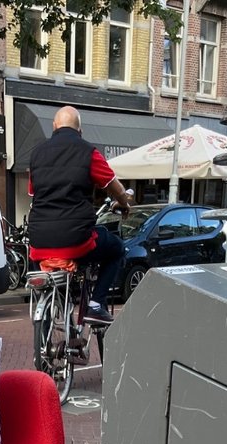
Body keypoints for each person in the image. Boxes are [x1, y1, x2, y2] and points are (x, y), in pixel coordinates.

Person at [26, 105, 133, 325]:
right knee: (117, 249)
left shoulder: (36, 155)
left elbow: (33, 194)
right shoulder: (88, 152)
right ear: (80, 130)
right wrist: (123, 203)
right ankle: (96, 305)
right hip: (76, 240)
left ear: (54, 127)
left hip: (38, 241)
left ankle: (53, 303)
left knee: (42, 264)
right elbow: (115, 187)